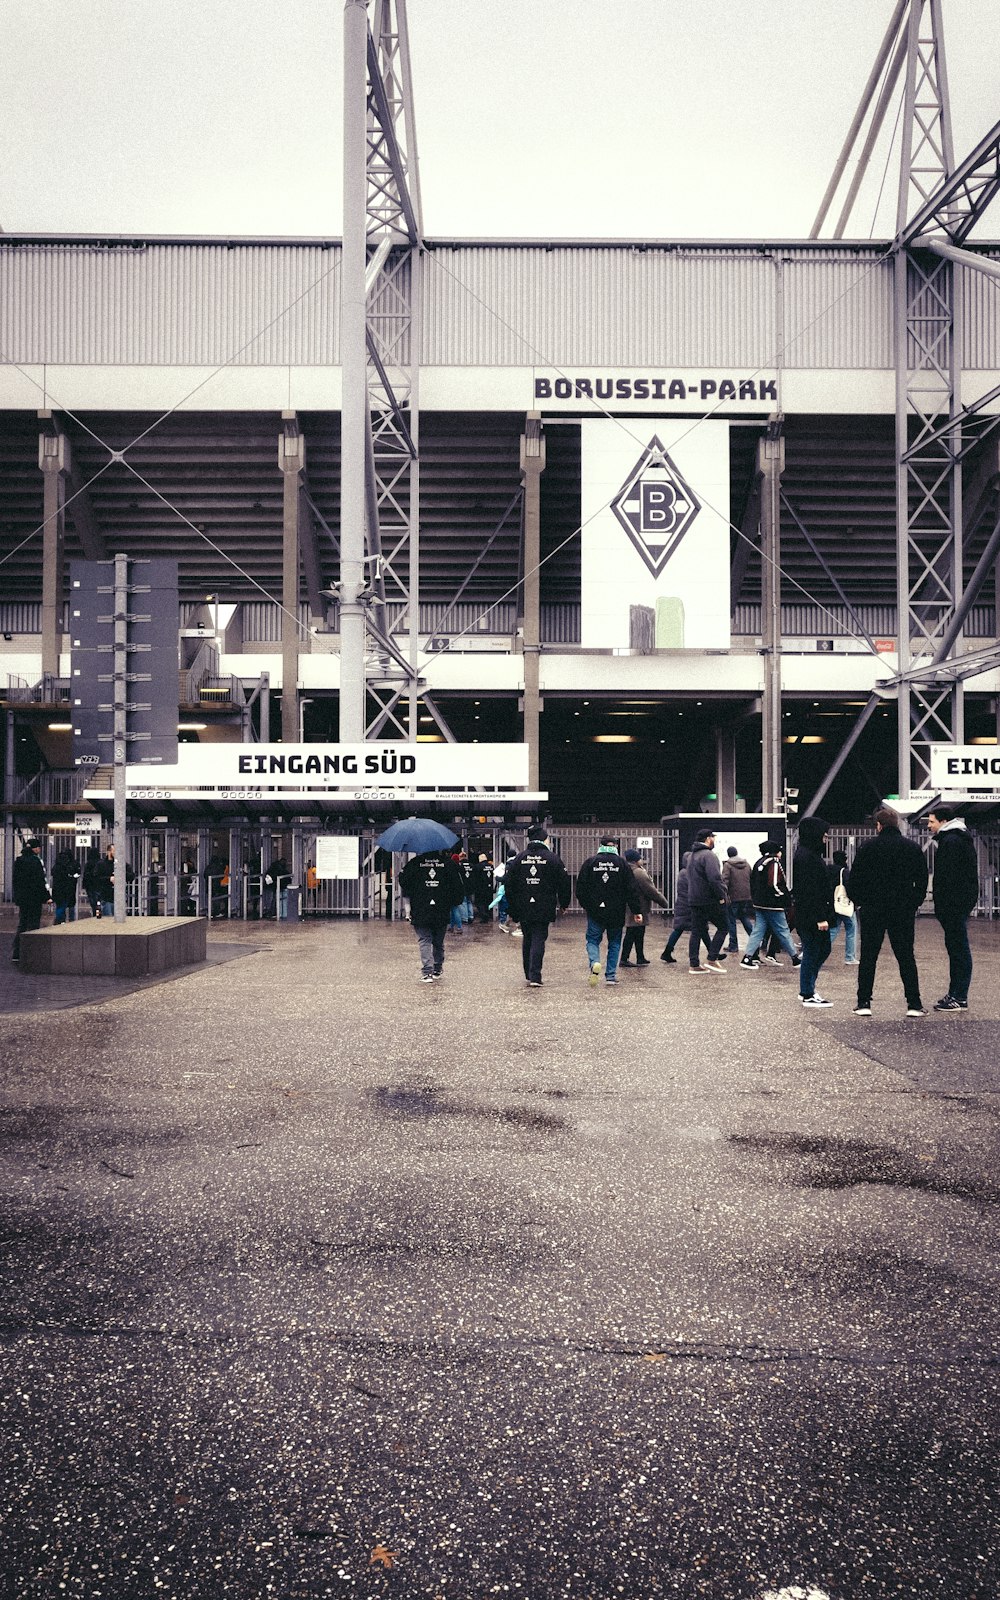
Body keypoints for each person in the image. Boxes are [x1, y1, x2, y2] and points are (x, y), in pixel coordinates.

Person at [846, 805, 928, 1018]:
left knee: (869, 956)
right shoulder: (912, 848)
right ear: (898, 825)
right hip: (902, 910)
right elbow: (921, 880)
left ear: (879, 825)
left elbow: (854, 880)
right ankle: (914, 1004)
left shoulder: (867, 848)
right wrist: (914, 902)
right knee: (906, 956)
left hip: (873, 909)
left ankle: (864, 1002)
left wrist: (860, 901)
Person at [927, 804, 979, 1012]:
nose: (929, 826)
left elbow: (948, 878)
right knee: (957, 949)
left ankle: (959, 996)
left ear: (943, 821)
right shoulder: (958, 839)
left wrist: (944, 905)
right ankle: (956, 994)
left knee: (958, 949)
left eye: (931, 821)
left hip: (953, 905)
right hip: (958, 904)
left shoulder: (951, 842)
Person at [503, 826, 571, 986]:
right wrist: (564, 903)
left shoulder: (519, 858)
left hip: (523, 905)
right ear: (544, 839)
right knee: (539, 938)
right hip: (544, 905)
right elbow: (564, 882)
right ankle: (535, 976)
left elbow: (509, 885)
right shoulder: (553, 858)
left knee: (528, 938)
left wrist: (512, 909)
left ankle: (528, 973)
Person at [576, 836, 642, 985]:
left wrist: (588, 906)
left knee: (592, 940)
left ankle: (594, 963)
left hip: (595, 911)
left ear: (600, 845)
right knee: (614, 942)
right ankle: (610, 976)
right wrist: (636, 911)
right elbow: (631, 890)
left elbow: (580, 888)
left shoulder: (590, 862)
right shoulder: (623, 864)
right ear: (616, 846)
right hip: (616, 911)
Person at [399, 846, 466, 982]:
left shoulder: (415, 863)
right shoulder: (448, 864)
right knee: (438, 941)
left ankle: (427, 972)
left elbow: (404, 882)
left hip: (421, 908)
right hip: (441, 909)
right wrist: (453, 901)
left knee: (424, 940)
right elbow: (458, 886)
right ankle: (437, 968)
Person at [792, 815, 836, 1007]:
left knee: (819, 949)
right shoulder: (808, 857)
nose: (826, 839)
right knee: (814, 950)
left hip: (809, 912)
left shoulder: (806, 854)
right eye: (824, 835)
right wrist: (820, 917)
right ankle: (807, 991)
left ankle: (807, 989)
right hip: (812, 914)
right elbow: (811, 890)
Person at [740, 841, 800, 969]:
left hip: (759, 903)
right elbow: (773, 884)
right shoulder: (773, 862)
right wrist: (784, 896)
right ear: (775, 851)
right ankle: (795, 958)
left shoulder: (759, 862)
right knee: (783, 930)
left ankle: (747, 957)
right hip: (773, 904)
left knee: (758, 930)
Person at [686, 826, 729, 974]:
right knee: (724, 926)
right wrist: (721, 896)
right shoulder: (709, 855)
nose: (714, 840)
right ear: (708, 839)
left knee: (696, 931)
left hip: (694, 899)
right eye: (713, 838)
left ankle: (694, 964)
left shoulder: (692, 856)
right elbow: (715, 879)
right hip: (709, 899)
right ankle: (712, 958)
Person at [620, 848, 669, 965]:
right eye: (640, 858)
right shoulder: (638, 872)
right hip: (639, 906)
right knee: (633, 933)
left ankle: (639, 957)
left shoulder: (626, 870)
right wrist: (664, 903)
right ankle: (625, 958)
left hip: (629, 905)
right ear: (636, 860)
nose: (642, 860)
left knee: (635, 932)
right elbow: (651, 890)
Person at [12, 837, 50, 961]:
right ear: (35, 849)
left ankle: (17, 952)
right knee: (33, 924)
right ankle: (31, 952)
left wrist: (17, 897)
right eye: (38, 848)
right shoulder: (35, 861)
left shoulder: (19, 861)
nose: (39, 850)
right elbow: (40, 881)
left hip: (23, 899)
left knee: (22, 924)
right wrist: (47, 897)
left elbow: (15, 881)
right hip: (34, 898)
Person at [660, 850, 695, 964]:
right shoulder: (688, 873)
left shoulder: (683, 872)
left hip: (682, 904)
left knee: (680, 929)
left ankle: (667, 952)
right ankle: (712, 954)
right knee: (700, 928)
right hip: (688, 905)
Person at [827, 848, 858, 963]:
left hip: (833, 903)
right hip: (844, 904)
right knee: (851, 928)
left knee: (833, 930)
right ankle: (849, 956)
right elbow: (849, 887)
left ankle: (815, 951)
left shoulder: (828, 869)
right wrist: (855, 901)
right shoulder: (844, 871)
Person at [722, 845, 755, 953]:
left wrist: (723, 895)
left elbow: (725, 881)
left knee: (731, 921)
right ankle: (755, 942)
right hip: (746, 897)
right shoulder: (747, 864)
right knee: (744, 918)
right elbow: (751, 878)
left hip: (733, 898)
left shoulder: (728, 865)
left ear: (728, 854)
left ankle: (733, 945)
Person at [94, 845, 134, 919]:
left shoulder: (122, 864)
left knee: (119, 919)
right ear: (109, 852)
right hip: (106, 896)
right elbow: (96, 878)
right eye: (114, 851)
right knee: (108, 918)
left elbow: (131, 876)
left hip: (119, 897)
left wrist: (122, 873)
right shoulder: (101, 864)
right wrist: (109, 879)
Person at [51, 848, 82, 925]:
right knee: (70, 906)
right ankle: (71, 922)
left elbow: (53, 874)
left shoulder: (57, 864)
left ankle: (59, 921)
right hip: (70, 889)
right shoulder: (73, 863)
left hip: (58, 889)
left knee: (60, 906)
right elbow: (77, 873)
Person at [205, 852, 230, 919]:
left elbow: (204, 875)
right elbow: (221, 876)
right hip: (216, 886)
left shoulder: (208, 867)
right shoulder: (218, 867)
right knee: (216, 899)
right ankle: (216, 912)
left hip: (208, 885)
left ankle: (210, 911)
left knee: (211, 898)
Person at [472, 853, 494, 924]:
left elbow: (475, 877)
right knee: (487, 902)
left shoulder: (477, 866)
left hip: (480, 888)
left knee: (479, 902)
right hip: (489, 887)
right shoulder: (491, 866)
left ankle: (484, 916)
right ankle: (488, 914)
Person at [82, 847, 102, 918]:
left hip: (90, 885)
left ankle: (95, 914)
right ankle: (99, 914)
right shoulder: (100, 862)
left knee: (93, 902)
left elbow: (85, 875)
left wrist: (84, 885)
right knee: (99, 901)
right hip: (99, 884)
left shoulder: (88, 863)